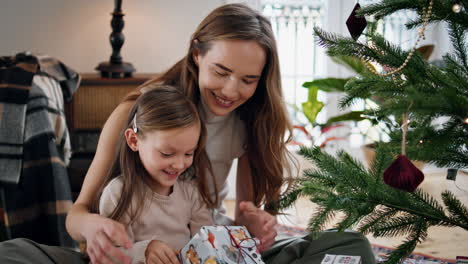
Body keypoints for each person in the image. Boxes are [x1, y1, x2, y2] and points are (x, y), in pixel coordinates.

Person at [0, 3, 375, 264]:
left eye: (248, 80)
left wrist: (255, 222)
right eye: (221, 71)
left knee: (351, 246)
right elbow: (77, 215)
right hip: (133, 252)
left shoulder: (250, 122)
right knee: (12, 254)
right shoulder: (135, 113)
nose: (231, 91)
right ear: (197, 54)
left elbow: (243, 215)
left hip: (208, 249)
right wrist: (95, 227)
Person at [98, 85, 214, 264]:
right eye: (167, 154)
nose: (179, 164)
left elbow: (208, 242)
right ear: (134, 141)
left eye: (189, 153)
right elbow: (111, 255)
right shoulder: (118, 193)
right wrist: (145, 250)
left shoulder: (190, 192)